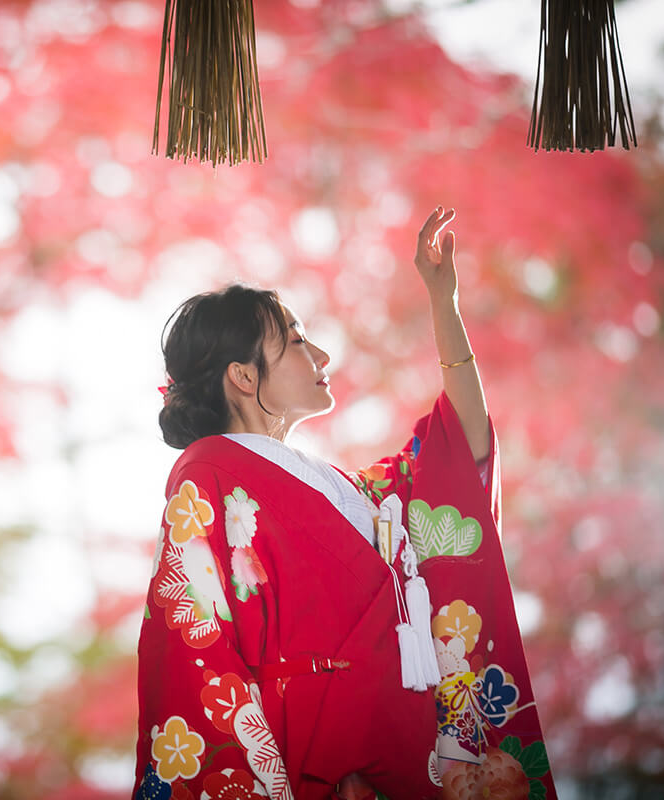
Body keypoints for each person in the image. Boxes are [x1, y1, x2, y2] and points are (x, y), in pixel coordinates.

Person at [134, 209, 554, 800]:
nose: (323, 357)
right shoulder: (207, 474)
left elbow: (459, 449)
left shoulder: (352, 491)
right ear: (244, 378)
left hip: (406, 748)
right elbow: (194, 644)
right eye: (299, 342)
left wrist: (444, 306)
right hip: (307, 755)